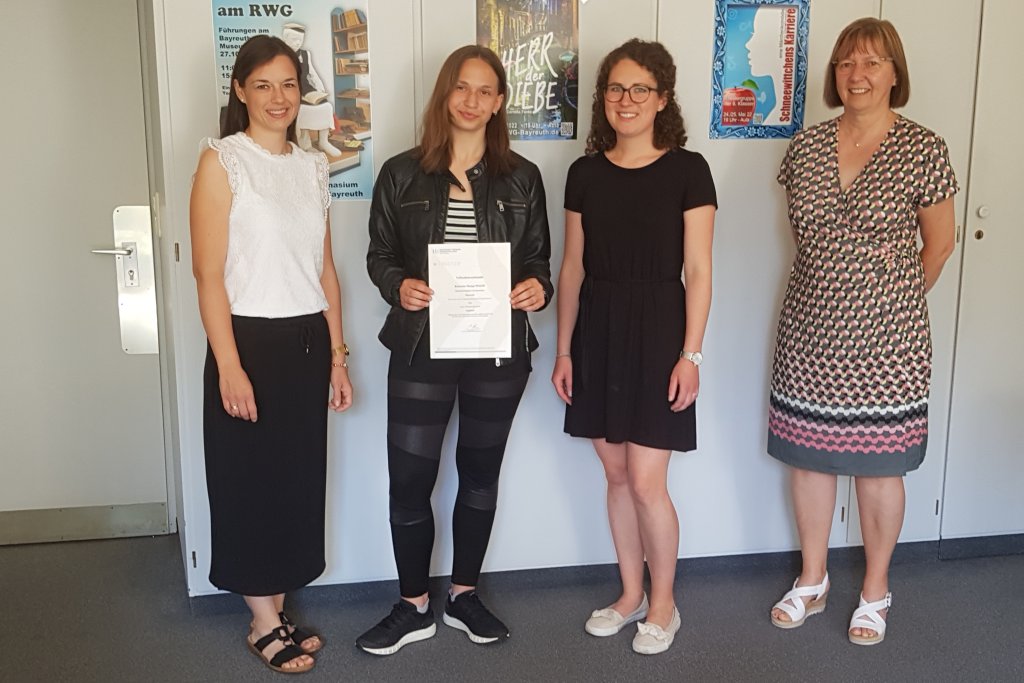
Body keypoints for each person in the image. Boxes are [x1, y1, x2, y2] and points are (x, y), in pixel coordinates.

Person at [767, 18, 957, 646]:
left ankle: (875, 589)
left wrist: (888, 302)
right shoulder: (806, 148)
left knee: (880, 469)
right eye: (847, 62)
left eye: (873, 62)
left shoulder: (923, 148)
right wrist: (839, 294)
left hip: (889, 343)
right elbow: (809, 239)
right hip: (810, 332)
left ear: (895, 73)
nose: (858, 74)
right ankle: (813, 578)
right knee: (810, 460)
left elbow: (940, 243)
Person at [358, 45, 552, 655]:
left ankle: (464, 595)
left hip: (499, 348)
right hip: (422, 345)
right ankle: (413, 605)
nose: (471, 100)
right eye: (461, 88)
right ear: (445, 93)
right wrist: (399, 285)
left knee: (480, 473)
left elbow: (539, 261)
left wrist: (537, 288)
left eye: (484, 91)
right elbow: (379, 255)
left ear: (499, 103)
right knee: (410, 478)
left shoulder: (522, 177)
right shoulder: (401, 173)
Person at [190, 34, 353, 674]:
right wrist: (229, 366)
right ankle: (262, 623)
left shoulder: (313, 167)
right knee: (249, 483)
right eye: (263, 85)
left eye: (288, 84)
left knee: (293, 482)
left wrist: (338, 357)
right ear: (240, 90)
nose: (278, 97)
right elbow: (208, 276)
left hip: (307, 342)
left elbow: (325, 270)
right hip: (248, 344)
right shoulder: (222, 160)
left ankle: (277, 609)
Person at [552, 38, 716, 656]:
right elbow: (572, 269)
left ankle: (664, 604)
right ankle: (630, 595)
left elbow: (699, 270)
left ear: (662, 98)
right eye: (616, 89)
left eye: (640, 89)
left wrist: (691, 355)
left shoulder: (688, 169)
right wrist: (564, 351)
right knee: (616, 474)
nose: (626, 100)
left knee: (648, 480)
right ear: (603, 98)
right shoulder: (584, 173)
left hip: (658, 332)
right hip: (596, 330)